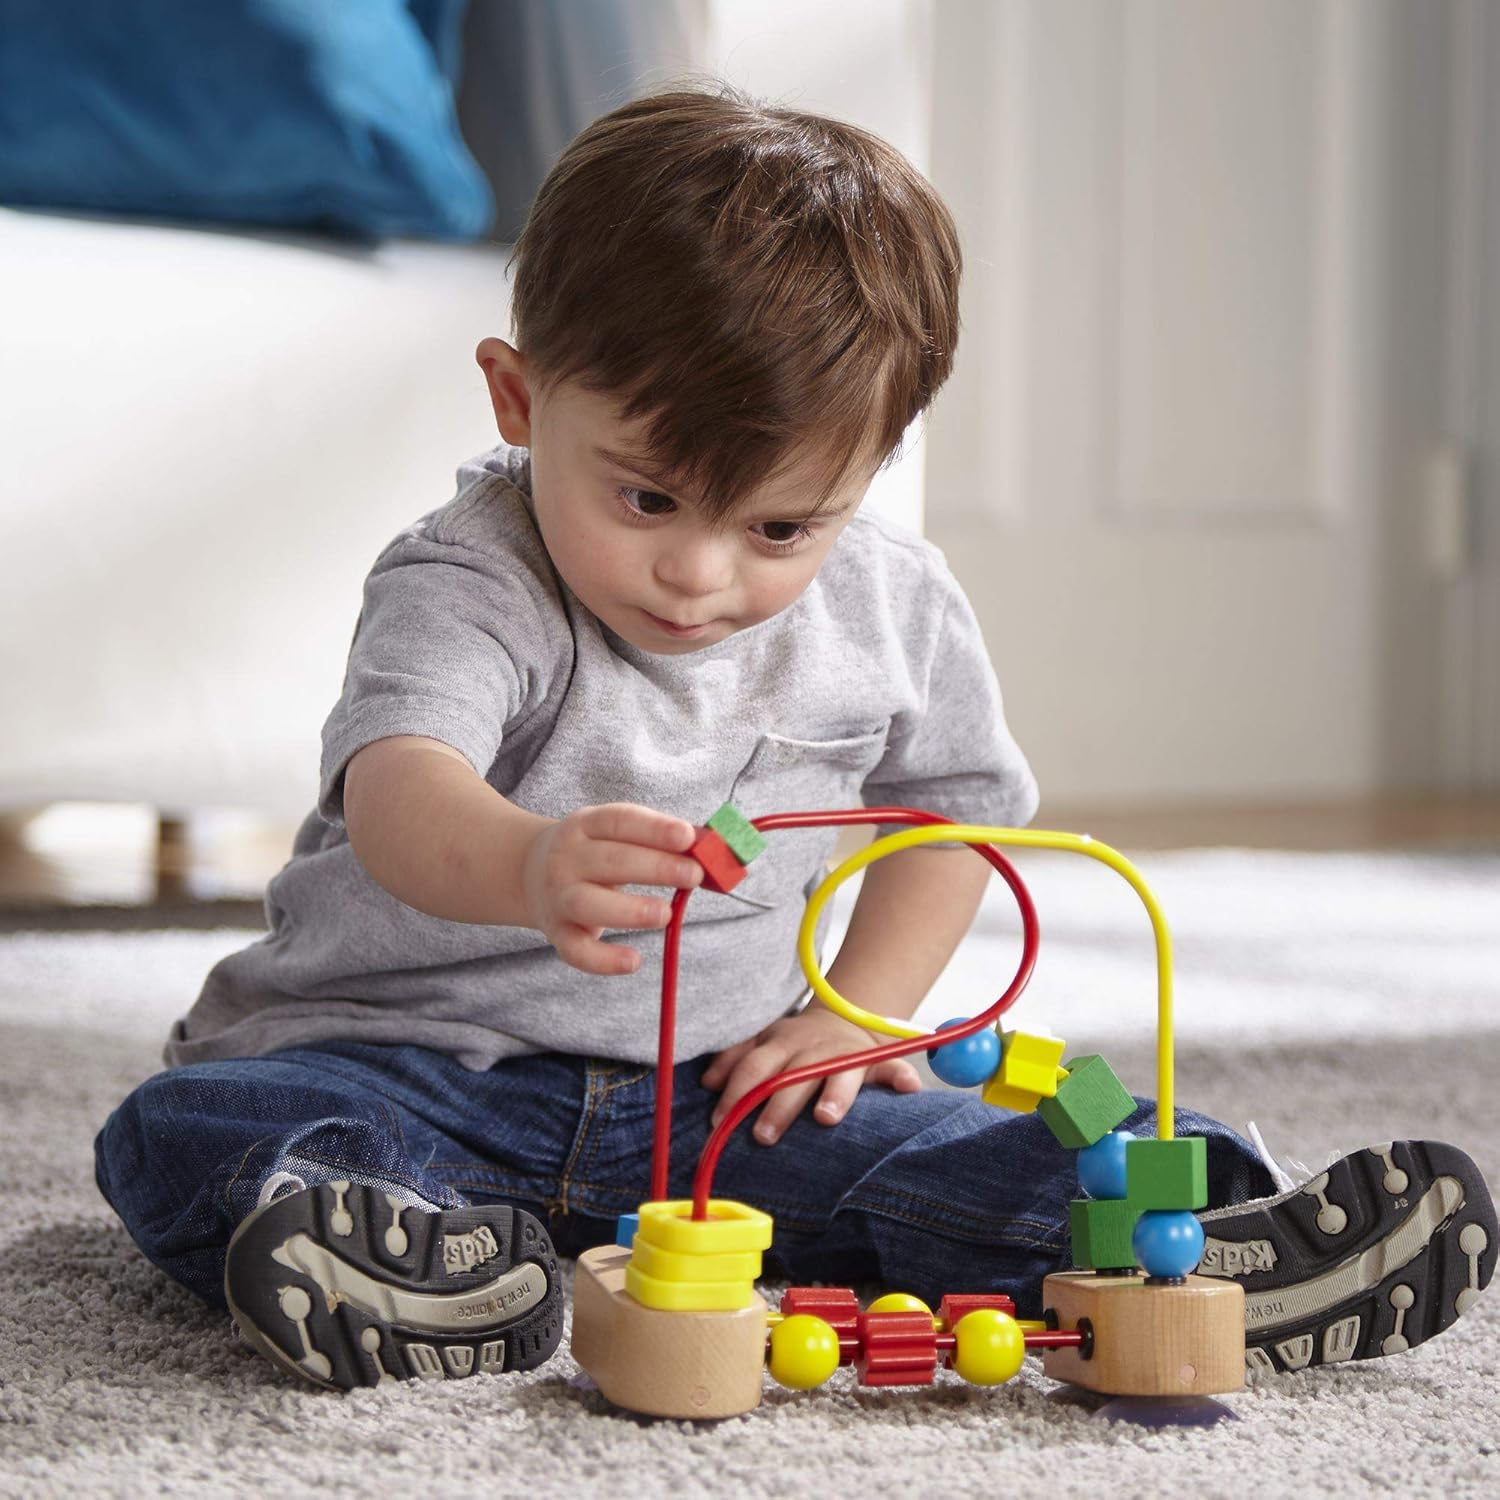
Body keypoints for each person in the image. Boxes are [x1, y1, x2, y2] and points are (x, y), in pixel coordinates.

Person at [94, 86, 1493, 1393]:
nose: (701, 574)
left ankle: (1226, 1244)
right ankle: (392, 1260)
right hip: (408, 1066)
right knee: (194, 1130)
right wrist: (524, 867)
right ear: (522, 403)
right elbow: (402, 787)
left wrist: (851, 1018)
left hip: (716, 1106)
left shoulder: (895, 604)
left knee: (989, 1147)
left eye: (777, 525)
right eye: (645, 500)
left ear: (867, 469)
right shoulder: (466, 576)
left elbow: (952, 824)